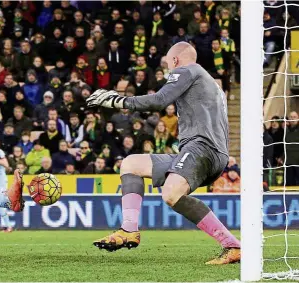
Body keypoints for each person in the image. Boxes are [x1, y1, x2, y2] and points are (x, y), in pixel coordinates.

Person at [86, 42, 240, 264]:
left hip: (203, 147)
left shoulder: (187, 70)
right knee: (131, 164)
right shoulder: (209, 82)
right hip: (205, 150)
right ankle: (128, 230)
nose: (169, 69)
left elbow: (159, 100)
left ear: (175, 60)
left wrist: (117, 100)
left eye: (168, 64)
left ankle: (232, 245)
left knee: (171, 194)